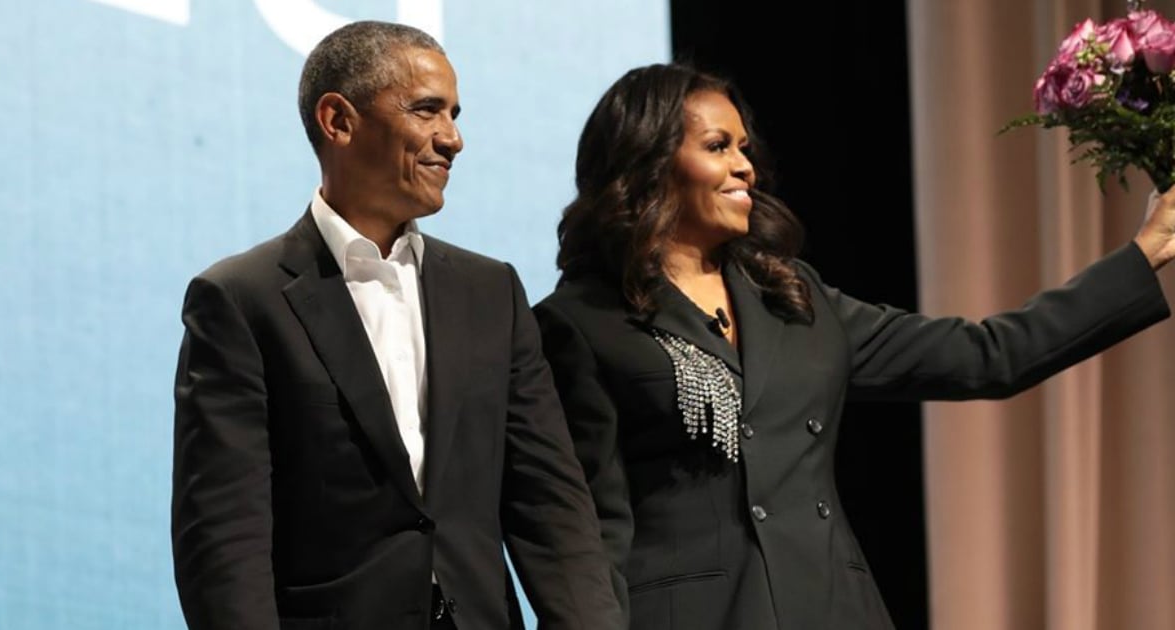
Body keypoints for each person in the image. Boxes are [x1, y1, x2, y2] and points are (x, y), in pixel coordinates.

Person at [531, 62, 1175, 630]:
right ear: (647, 162)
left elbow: (989, 355)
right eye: (718, 146)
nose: (744, 166)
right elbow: (587, 535)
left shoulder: (792, 298)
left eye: (744, 148)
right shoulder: (581, 323)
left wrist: (1143, 256)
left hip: (833, 607)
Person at [171, 20, 623, 630]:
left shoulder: (491, 293)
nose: (453, 138)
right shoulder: (241, 300)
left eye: (455, 114)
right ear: (339, 121)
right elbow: (224, 536)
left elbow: (551, 502)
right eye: (427, 110)